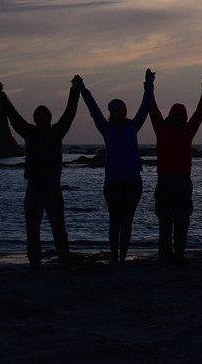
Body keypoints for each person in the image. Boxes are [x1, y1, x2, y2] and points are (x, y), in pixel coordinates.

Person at [0, 76, 81, 272]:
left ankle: (65, 261)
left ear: (50, 118)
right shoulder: (28, 132)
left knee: (59, 228)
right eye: (39, 115)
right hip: (33, 188)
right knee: (32, 229)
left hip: (53, 187)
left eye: (45, 115)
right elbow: (13, 115)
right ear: (35, 118)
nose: (42, 117)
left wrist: (75, 90)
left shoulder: (57, 132)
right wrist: (1, 96)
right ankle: (34, 263)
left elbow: (70, 112)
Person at [77, 69, 154, 264]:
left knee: (127, 222)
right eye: (117, 110)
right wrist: (83, 89)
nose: (120, 112)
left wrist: (149, 84)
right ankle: (114, 257)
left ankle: (122, 256)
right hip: (113, 183)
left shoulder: (133, 126)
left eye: (123, 109)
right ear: (111, 112)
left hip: (133, 182)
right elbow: (93, 109)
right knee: (115, 221)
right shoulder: (106, 128)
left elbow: (145, 107)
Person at [148, 75, 202, 266]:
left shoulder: (189, 130)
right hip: (165, 180)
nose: (179, 118)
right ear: (170, 116)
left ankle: (179, 255)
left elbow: (200, 112)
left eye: (182, 115)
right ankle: (165, 256)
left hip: (183, 181)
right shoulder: (161, 128)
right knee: (165, 222)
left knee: (182, 221)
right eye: (176, 115)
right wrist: (149, 86)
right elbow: (153, 109)